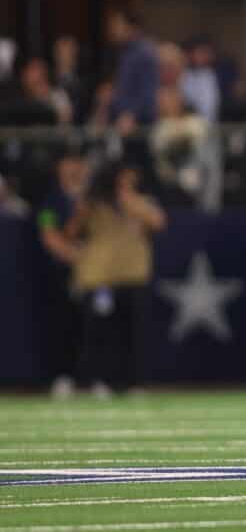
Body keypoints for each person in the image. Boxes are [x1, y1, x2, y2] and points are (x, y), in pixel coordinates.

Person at [65, 164, 166, 396]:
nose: (127, 184)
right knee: (98, 332)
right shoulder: (93, 202)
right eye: (123, 181)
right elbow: (71, 231)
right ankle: (94, 380)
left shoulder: (140, 201)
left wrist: (128, 201)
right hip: (101, 278)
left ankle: (135, 383)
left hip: (134, 275)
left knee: (134, 335)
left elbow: (159, 222)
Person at [37, 145, 89, 398]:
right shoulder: (51, 201)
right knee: (63, 325)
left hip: (93, 274)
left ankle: (92, 377)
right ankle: (63, 376)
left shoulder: (92, 198)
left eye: (78, 162)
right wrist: (74, 257)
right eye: (69, 162)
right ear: (59, 167)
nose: (74, 168)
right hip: (63, 273)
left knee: (93, 327)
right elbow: (49, 235)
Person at [107, 8, 159, 136]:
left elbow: (148, 93)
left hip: (137, 127)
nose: (113, 30)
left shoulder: (144, 54)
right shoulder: (124, 54)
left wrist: (132, 115)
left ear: (132, 28)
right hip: (122, 124)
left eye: (117, 25)